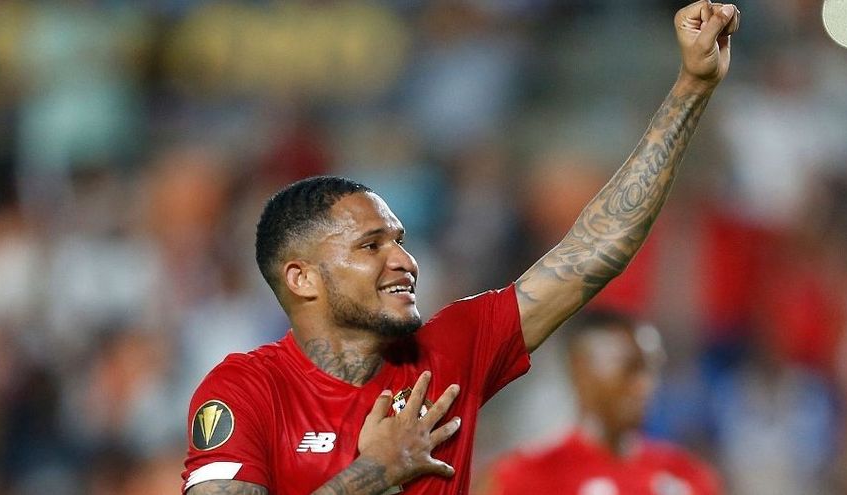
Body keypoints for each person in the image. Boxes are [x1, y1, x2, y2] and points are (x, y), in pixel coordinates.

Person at [181, 2, 741, 494]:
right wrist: (374, 472)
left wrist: (691, 88)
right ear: (302, 278)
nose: (403, 261)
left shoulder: (452, 352)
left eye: (399, 241)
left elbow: (596, 249)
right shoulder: (248, 391)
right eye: (371, 245)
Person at [477, 310, 722, 495]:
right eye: (630, 368)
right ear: (581, 369)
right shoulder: (523, 478)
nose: (645, 386)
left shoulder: (689, 477)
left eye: (651, 369)